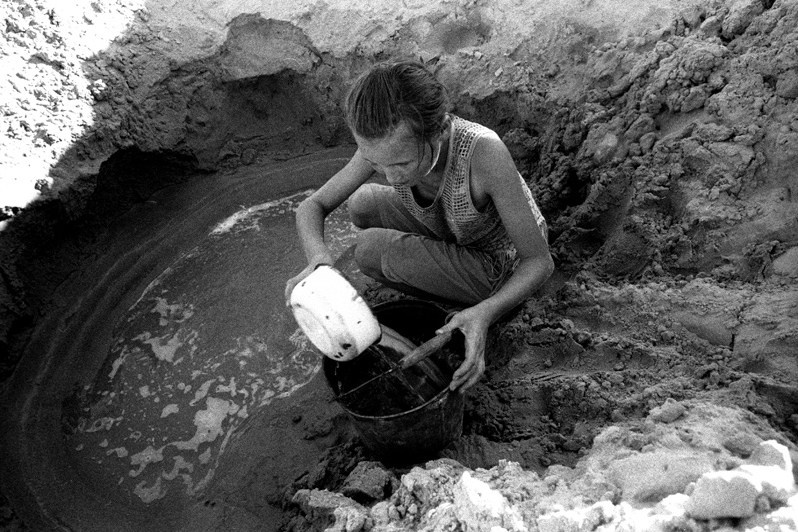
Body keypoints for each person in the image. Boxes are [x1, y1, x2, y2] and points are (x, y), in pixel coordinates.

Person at [285, 60, 553, 392]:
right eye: (374, 163)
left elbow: (539, 262)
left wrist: (485, 314)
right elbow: (313, 205)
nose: (389, 175)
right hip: (452, 229)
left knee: (369, 250)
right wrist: (318, 261)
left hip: (502, 264)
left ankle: (466, 294)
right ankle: (437, 269)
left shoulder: (484, 153)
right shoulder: (387, 145)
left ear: (439, 130)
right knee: (362, 202)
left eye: (401, 163)